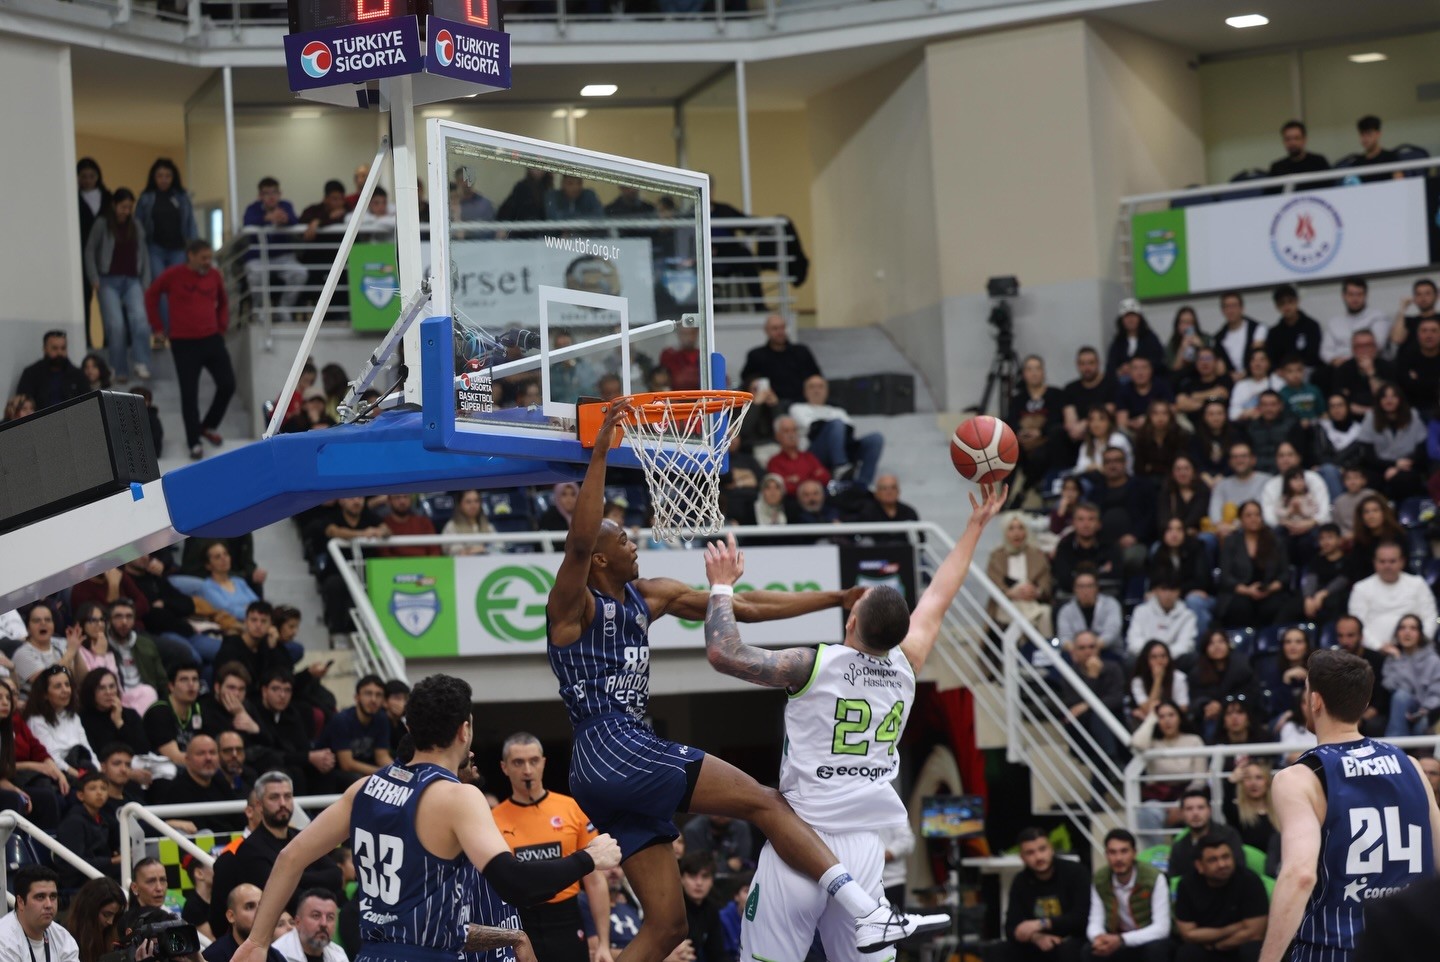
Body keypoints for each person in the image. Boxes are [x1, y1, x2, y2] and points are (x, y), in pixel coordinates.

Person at [544, 401, 946, 962]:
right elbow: (580, 542)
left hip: (616, 766)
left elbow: (745, 608)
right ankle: (868, 911)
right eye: (623, 539)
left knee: (666, 928)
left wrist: (832, 598)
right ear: (602, 561)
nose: (634, 540)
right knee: (766, 802)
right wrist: (602, 453)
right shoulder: (572, 607)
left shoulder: (649, 594)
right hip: (611, 745)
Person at [703, 483, 1003, 962]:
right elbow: (941, 594)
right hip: (863, 850)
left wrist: (721, 585)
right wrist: (974, 527)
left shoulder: (814, 663)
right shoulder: (909, 663)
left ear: (851, 621)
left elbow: (724, 653)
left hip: (798, 839)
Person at [232, 675, 621, 962]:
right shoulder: (457, 796)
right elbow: (517, 884)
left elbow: (290, 858)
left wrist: (257, 941)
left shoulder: (365, 787)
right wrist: (590, 857)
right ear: (464, 731)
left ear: (410, 728)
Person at [1257, 649, 1440, 962]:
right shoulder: (1411, 766)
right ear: (1364, 703)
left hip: (1336, 949)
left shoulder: (1299, 778)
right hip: (1410, 946)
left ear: (1315, 701)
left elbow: (1300, 875)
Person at [490, 732, 611, 962]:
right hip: (521, 922)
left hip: (567, 918)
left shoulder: (571, 808)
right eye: (518, 762)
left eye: (534, 761)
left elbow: (595, 881)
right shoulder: (493, 819)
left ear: (543, 762)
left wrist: (604, 943)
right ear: (504, 767)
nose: (527, 770)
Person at [210, 772, 345, 938]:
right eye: (274, 797)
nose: (283, 803)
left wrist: (291, 875)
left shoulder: (301, 837)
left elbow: (336, 876)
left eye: (287, 797)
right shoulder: (249, 849)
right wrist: (305, 875)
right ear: (259, 805)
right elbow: (287, 899)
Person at [145, 238, 232, 459]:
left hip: (211, 338)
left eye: (210, 257)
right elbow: (151, 295)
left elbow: (223, 302)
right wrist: (157, 326)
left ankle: (208, 425)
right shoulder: (174, 275)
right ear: (190, 256)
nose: (207, 262)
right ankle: (194, 441)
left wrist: (221, 327)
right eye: (203, 258)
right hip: (184, 343)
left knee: (228, 384)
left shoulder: (214, 276)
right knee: (189, 393)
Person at [84, 187, 154, 383]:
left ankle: (141, 362)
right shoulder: (102, 224)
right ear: (114, 205)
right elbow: (90, 251)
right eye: (123, 206)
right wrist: (94, 278)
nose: (126, 211)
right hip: (108, 280)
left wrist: (145, 281)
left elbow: (144, 254)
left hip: (132, 280)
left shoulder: (136, 225)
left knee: (140, 320)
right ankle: (118, 367)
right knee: (116, 325)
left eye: (129, 207)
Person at [1173, 838, 1268, 962]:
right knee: (1186, 953)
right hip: (1204, 949)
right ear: (1199, 866)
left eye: (1226, 857)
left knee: (1253, 949)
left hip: (1236, 946)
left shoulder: (1250, 880)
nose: (1222, 864)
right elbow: (1188, 934)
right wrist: (1232, 929)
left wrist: (1216, 946)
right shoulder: (1186, 885)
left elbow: (1255, 933)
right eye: (1213, 860)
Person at [1084, 829, 1171, 962]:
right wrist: (1099, 938)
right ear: (1106, 855)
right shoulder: (1100, 879)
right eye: (1112, 852)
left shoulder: (1154, 878)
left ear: (1134, 853)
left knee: (1157, 950)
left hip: (1146, 939)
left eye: (1124, 851)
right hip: (1115, 939)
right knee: (1089, 951)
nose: (1118, 858)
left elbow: (1162, 928)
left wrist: (1122, 939)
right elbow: (1095, 920)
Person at [1004, 827, 1090, 961]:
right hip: (1038, 940)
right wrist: (1035, 937)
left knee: (1069, 950)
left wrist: (1042, 923)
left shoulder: (1075, 872)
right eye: (1030, 853)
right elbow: (1011, 927)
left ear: (1051, 849)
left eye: (1042, 849)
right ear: (1022, 857)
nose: (1038, 857)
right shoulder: (1020, 881)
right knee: (1000, 949)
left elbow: (1082, 917)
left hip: (1073, 938)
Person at [788, 375, 885, 487]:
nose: (816, 390)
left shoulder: (838, 411)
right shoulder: (797, 408)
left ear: (827, 391)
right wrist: (835, 427)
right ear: (805, 392)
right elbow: (813, 428)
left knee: (876, 438)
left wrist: (836, 430)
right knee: (836, 423)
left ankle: (862, 485)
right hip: (815, 452)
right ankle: (840, 466)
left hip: (841, 446)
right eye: (812, 387)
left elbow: (849, 431)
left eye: (820, 387)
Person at [1348, 541, 1437, 650]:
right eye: (1382, 561)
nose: (1387, 566)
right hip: (1374, 652)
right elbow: (1356, 626)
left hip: (1417, 649)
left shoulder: (1418, 584)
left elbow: (1430, 617)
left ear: (1402, 562)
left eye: (1392, 561)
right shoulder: (1361, 588)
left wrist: (1420, 642)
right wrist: (1378, 646)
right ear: (1374, 562)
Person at [242, 178, 307, 316]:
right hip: (258, 257)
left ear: (280, 194)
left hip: (283, 257)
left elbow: (295, 220)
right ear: (260, 196)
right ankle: (259, 311)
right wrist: (267, 218)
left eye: (274, 193)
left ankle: (284, 309)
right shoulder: (252, 208)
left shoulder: (286, 205)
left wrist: (285, 219)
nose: (271, 197)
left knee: (300, 273)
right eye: (266, 193)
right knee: (255, 275)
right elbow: (248, 222)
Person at [985, 513, 1054, 639]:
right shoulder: (996, 556)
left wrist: (1035, 592)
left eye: (1020, 528)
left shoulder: (1037, 555)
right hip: (1006, 604)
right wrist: (1012, 593)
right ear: (1005, 532)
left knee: (1046, 613)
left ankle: (1046, 653)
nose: (1016, 533)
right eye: (1011, 528)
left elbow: (1046, 584)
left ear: (1026, 531)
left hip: (1033, 601)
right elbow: (994, 583)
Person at [319, 674, 394, 784]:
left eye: (378, 695)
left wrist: (397, 772)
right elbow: (346, 764)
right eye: (368, 693)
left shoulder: (381, 718)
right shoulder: (342, 720)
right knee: (360, 779)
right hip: (332, 772)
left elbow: (381, 756)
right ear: (357, 697)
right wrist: (382, 774)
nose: (374, 699)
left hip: (361, 769)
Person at [0, 866, 81, 962]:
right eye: (40, 897)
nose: (49, 905)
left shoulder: (63, 937)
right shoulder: (3, 940)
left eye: (53, 896)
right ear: (20, 902)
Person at [56, 770, 120, 888]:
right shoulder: (73, 822)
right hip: (78, 879)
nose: (99, 793)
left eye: (103, 788)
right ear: (80, 795)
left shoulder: (104, 819)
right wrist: (111, 861)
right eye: (93, 788)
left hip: (98, 873)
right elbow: (74, 863)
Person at [1380, 613, 1440, 737]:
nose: (1407, 633)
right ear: (1397, 633)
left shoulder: (1432, 659)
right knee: (1401, 696)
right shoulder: (1392, 659)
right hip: (1400, 709)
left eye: (1413, 628)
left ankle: (1395, 749)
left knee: (1421, 724)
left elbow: (1437, 692)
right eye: (1402, 628)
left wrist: (1423, 711)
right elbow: (1392, 686)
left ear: (1420, 634)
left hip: (1427, 711)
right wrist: (1398, 659)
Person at [740, 314, 822, 406]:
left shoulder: (801, 351)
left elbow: (816, 375)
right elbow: (747, 378)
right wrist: (754, 382)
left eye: (782, 327)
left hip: (802, 403)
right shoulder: (756, 355)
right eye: (775, 328)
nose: (780, 332)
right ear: (766, 331)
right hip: (771, 405)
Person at [1168, 789, 1245, 886]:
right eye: (1189, 809)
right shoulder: (1179, 846)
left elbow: (1239, 868)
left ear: (1209, 810)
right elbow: (1174, 877)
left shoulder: (1229, 835)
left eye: (1200, 808)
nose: (1195, 813)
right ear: (1182, 813)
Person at [205, 884, 287, 962]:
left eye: (261, 906)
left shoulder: (275, 956)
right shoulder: (213, 956)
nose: (259, 912)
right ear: (231, 916)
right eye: (250, 907)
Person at [1125, 574, 1197, 661]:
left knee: (1192, 659)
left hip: (1173, 660)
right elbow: (1133, 641)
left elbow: (1185, 645)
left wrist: (1163, 656)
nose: (1168, 594)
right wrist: (1153, 655)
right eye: (1164, 589)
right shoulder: (1141, 611)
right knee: (1129, 660)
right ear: (1155, 591)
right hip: (1145, 660)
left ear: (1179, 592)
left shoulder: (1188, 615)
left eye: (1172, 590)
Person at [13, 330, 87, 413]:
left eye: (63, 348)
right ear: (45, 349)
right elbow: (22, 405)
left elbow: (88, 404)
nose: (59, 352)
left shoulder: (78, 375)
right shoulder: (31, 374)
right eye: (55, 348)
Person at [1322, 278, 1390, 367]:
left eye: (1359, 294)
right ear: (1344, 296)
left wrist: (1352, 362)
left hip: (1371, 363)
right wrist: (1335, 360)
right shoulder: (1334, 322)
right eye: (1351, 294)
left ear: (1366, 295)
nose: (1355, 298)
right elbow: (1325, 350)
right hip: (1340, 365)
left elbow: (1378, 346)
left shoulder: (1378, 317)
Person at [1061, 346, 1117, 445]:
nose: (1087, 368)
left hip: (1104, 432)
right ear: (1077, 365)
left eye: (1091, 363)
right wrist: (1075, 429)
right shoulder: (1070, 388)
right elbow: (1069, 420)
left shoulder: (1111, 384)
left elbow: (1107, 413)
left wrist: (1085, 424)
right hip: (1077, 436)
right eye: (1082, 364)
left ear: (1098, 363)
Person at [1056, 570, 1123, 650]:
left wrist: (1090, 649)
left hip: (1108, 651)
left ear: (1097, 588)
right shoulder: (1065, 610)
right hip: (1075, 654)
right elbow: (1064, 638)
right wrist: (1081, 652)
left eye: (1089, 586)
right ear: (1074, 589)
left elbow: (1112, 632)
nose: (1085, 590)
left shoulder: (1111, 604)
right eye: (1081, 586)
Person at [272, 890, 346, 962]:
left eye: (330, 917)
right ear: (298, 922)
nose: (324, 923)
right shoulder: (276, 955)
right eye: (316, 915)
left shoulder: (338, 953)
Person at [68, 877, 127, 962]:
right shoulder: (66, 938)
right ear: (89, 910)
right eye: (106, 914)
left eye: (116, 916)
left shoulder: (113, 935)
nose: (110, 922)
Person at [1266, 285, 1323, 370]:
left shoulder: (1311, 326)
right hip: (1283, 373)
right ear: (1277, 307)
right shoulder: (1274, 332)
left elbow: (1314, 355)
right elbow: (1272, 359)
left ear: (1297, 301)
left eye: (1290, 301)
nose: (1287, 307)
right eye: (1282, 303)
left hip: (1307, 370)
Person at [1214, 293, 1268, 382]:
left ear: (1242, 308)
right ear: (1222, 310)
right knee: (1213, 396)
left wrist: (1245, 374)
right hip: (1231, 383)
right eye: (1227, 306)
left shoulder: (1257, 329)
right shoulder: (1218, 338)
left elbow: (1261, 356)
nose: (1231, 310)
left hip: (1256, 379)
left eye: (1234, 306)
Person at [1106, 300, 1166, 380]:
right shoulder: (1117, 342)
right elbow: (1110, 367)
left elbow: (1159, 361)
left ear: (1139, 318)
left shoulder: (1151, 338)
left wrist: (1138, 368)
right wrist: (1120, 370)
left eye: (1133, 316)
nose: (1130, 319)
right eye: (1127, 316)